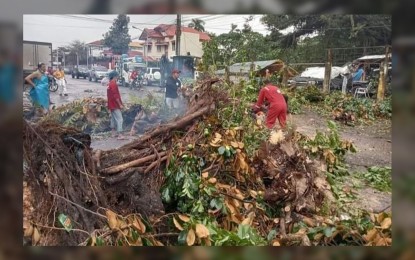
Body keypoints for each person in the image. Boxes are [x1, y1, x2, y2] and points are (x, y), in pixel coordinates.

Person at [107, 70, 126, 140]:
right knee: (120, 119)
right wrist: (120, 104)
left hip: (111, 104)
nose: (118, 77)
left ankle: (113, 133)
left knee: (113, 118)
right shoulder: (113, 84)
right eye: (117, 76)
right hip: (115, 104)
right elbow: (116, 96)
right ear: (115, 76)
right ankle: (120, 134)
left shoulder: (109, 84)